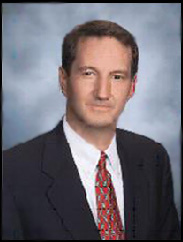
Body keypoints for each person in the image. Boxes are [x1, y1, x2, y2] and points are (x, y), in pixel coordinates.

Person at [2, 20, 180, 240]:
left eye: (117, 77)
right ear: (64, 80)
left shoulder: (153, 159)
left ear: (132, 87)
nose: (102, 93)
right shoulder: (12, 172)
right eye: (88, 73)